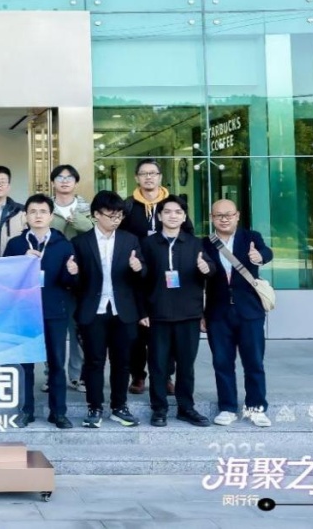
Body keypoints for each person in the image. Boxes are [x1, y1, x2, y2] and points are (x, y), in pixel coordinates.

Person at [71, 191, 146, 429]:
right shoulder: (81, 242)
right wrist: (73, 273)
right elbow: (74, 283)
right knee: (94, 362)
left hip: (123, 310)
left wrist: (138, 267)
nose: (116, 220)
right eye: (111, 215)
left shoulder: (129, 240)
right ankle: (94, 407)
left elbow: (143, 275)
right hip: (93, 311)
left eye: (119, 215)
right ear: (96, 214)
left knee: (122, 362)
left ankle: (119, 407)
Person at [3, 194, 78, 429]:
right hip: (24, 312)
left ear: (51, 216)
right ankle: (26, 410)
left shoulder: (63, 244)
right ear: (25, 216)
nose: (38, 216)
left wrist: (72, 273)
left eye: (43, 211)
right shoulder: (16, 245)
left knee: (56, 363)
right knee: (25, 364)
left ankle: (59, 412)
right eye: (33, 211)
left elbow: (69, 283)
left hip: (54, 310)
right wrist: (20, 261)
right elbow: (5, 279)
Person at [141, 195, 215, 428]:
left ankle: (186, 408)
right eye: (168, 211)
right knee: (158, 365)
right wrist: (142, 311)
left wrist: (206, 267)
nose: (173, 216)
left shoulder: (195, 243)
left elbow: (211, 270)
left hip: (188, 313)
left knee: (186, 365)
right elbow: (140, 280)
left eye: (178, 212)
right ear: (160, 216)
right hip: (158, 313)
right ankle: (159, 408)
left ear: (184, 217)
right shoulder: (148, 244)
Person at [203, 199, 274, 428]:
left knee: (254, 362)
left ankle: (256, 407)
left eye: (229, 215)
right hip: (217, 312)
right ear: (212, 218)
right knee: (222, 362)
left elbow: (267, 252)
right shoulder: (205, 243)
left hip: (249, 311)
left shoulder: (251, 237)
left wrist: (260, 256)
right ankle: (227, 408)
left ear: (237, 216)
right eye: (219, 215)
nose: (224, 219)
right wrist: (202, 314)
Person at [120, 158, 170, 396]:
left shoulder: (172, 204)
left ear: (160, 177)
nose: (149, 177)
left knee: (165, 328)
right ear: (136, 178)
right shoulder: (128, 206)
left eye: (153, 173)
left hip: (166, 275)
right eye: (144, 173)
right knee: (137, 330)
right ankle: (138, 375)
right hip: (135, 276)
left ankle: (166, 375)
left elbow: (188, 233)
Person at [48, 164, 94, 395]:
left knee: (79, 329)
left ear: (76, 182)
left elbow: (98, 234)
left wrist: (82, 223)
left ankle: (78, 376)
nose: (64, 181)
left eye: (69, 177)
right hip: (52, 278)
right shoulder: (45, 207)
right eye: (59, 177)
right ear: (53, 182)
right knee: (52, 329)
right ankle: (52, 375)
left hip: (82, 278)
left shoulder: (88, 209)